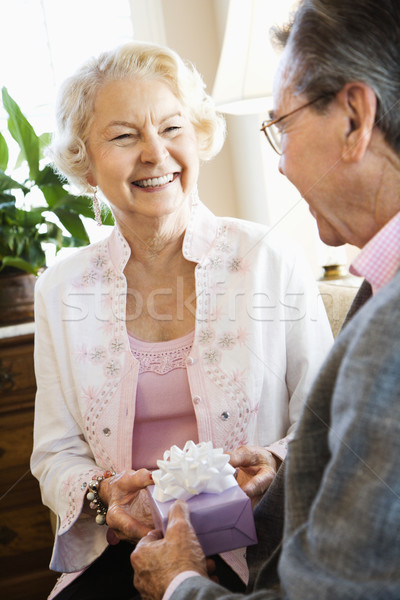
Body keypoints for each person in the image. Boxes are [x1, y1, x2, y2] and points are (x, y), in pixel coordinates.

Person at [30, 41, 333, 600]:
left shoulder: (269, 258)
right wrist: (102, 497)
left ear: (197, 137)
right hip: (126, 552)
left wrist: (270, 461)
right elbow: (55, 451)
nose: (154, 153)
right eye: (124, 136)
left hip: (260, 550)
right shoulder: (61, 289)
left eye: (172, 128)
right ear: (87, 164)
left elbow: (325, 419)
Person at [130, 0, 400, 599]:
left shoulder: (390, 335)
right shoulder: (378, 284)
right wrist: (282, 475)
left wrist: (178, 586)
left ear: (355, 118)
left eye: (283, 125)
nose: (278, 165)